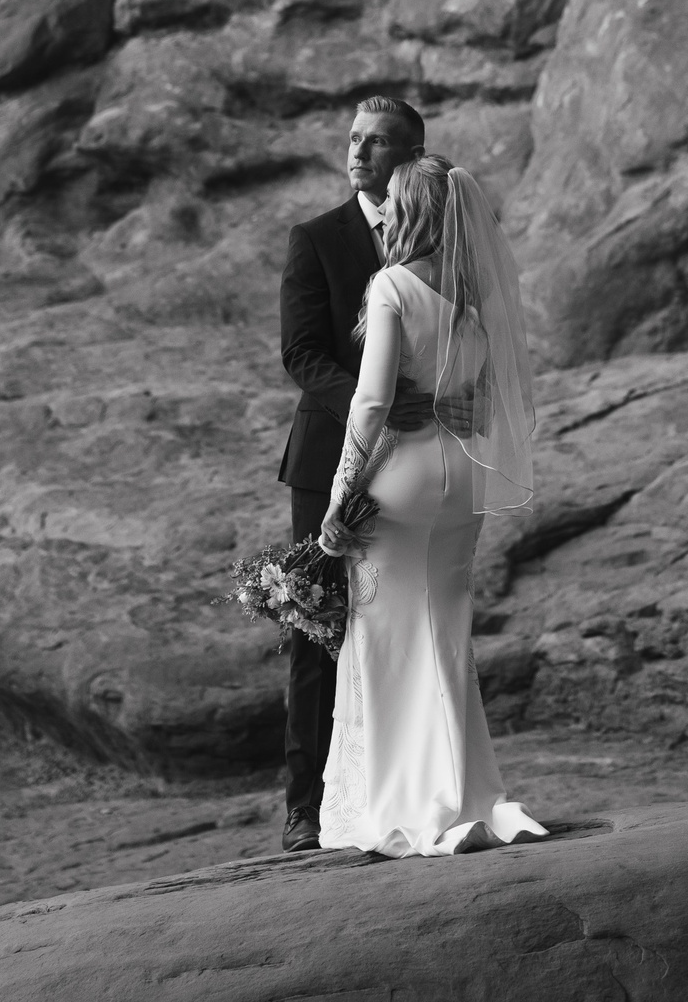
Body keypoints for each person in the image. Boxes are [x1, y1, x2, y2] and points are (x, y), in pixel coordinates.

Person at [314, 152, 545, 856]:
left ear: (412, 209)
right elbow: (487, 400)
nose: (383, 209)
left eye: (392, 199)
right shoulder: (475, 300)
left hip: (402, 480)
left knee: (385, 639)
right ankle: (468, 795)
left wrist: (340, 492)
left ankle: (407, 802)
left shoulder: (392, 285)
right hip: (461, 478)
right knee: (445, 636)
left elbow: (372, 401)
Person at [275, 95, 441, 855]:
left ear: (411, 157)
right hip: (326, 459)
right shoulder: (317, 239)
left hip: (419, 465)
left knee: (405, 620)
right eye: (352, 139)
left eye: (376, 142)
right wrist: (373, 406)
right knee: (318, 625)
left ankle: (401, 792)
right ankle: (305, 808)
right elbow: (301, 353)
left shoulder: (443, 241)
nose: (358, 153)